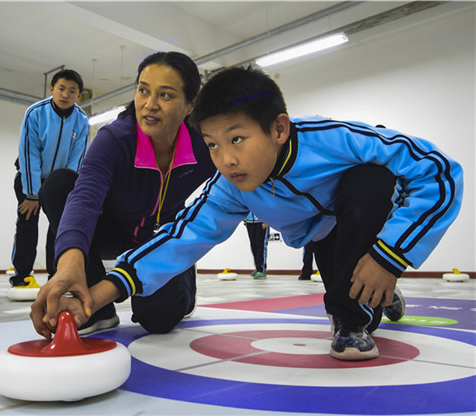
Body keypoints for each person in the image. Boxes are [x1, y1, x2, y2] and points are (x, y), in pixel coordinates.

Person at [32, 66, 463, 361]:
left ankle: (355, 316)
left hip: (361, 218)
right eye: (213, 145)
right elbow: (178, 239)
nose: (226, 160)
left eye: (237, 139)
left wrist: (389, 256)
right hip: (319, 236)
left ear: (279, 129)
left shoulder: (336, 139)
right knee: (352, 277)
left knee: (369, 181)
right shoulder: (229, 189)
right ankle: (378, 294)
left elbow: (440, 174)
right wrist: (96, 295)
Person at [33, 51, 216, 335]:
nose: (149, 105)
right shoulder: (114, 140)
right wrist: (69, 265)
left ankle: (183, 276)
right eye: (143, 91)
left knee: (159, 319)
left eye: (165, 95)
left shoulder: (205, 144)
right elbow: (84, 198)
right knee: (58, 185)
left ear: (191, 104)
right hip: (111, 229)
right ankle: (97, 308)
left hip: (161, 237)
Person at [9, 69, 89, 287]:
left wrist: (68, 187)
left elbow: (77, 157)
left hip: (58, 186)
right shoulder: (35, 112)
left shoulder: (81, 120)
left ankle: (56, 276)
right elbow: (29, 154)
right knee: (27, 225)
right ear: (52, 89)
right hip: (29, 181)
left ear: (78, 95)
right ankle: (22, 276)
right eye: (61, 88)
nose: (65, 94)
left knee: (59, 228)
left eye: (72, 91)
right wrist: (32, 194)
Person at [244, 214, 269, 279]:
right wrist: (245, 220)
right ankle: (258, 268)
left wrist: (265, 221)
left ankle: (262, 270)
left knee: (260, 245)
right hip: (249, 221)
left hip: (261, 222)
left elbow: (267, 206)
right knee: (253, 246)